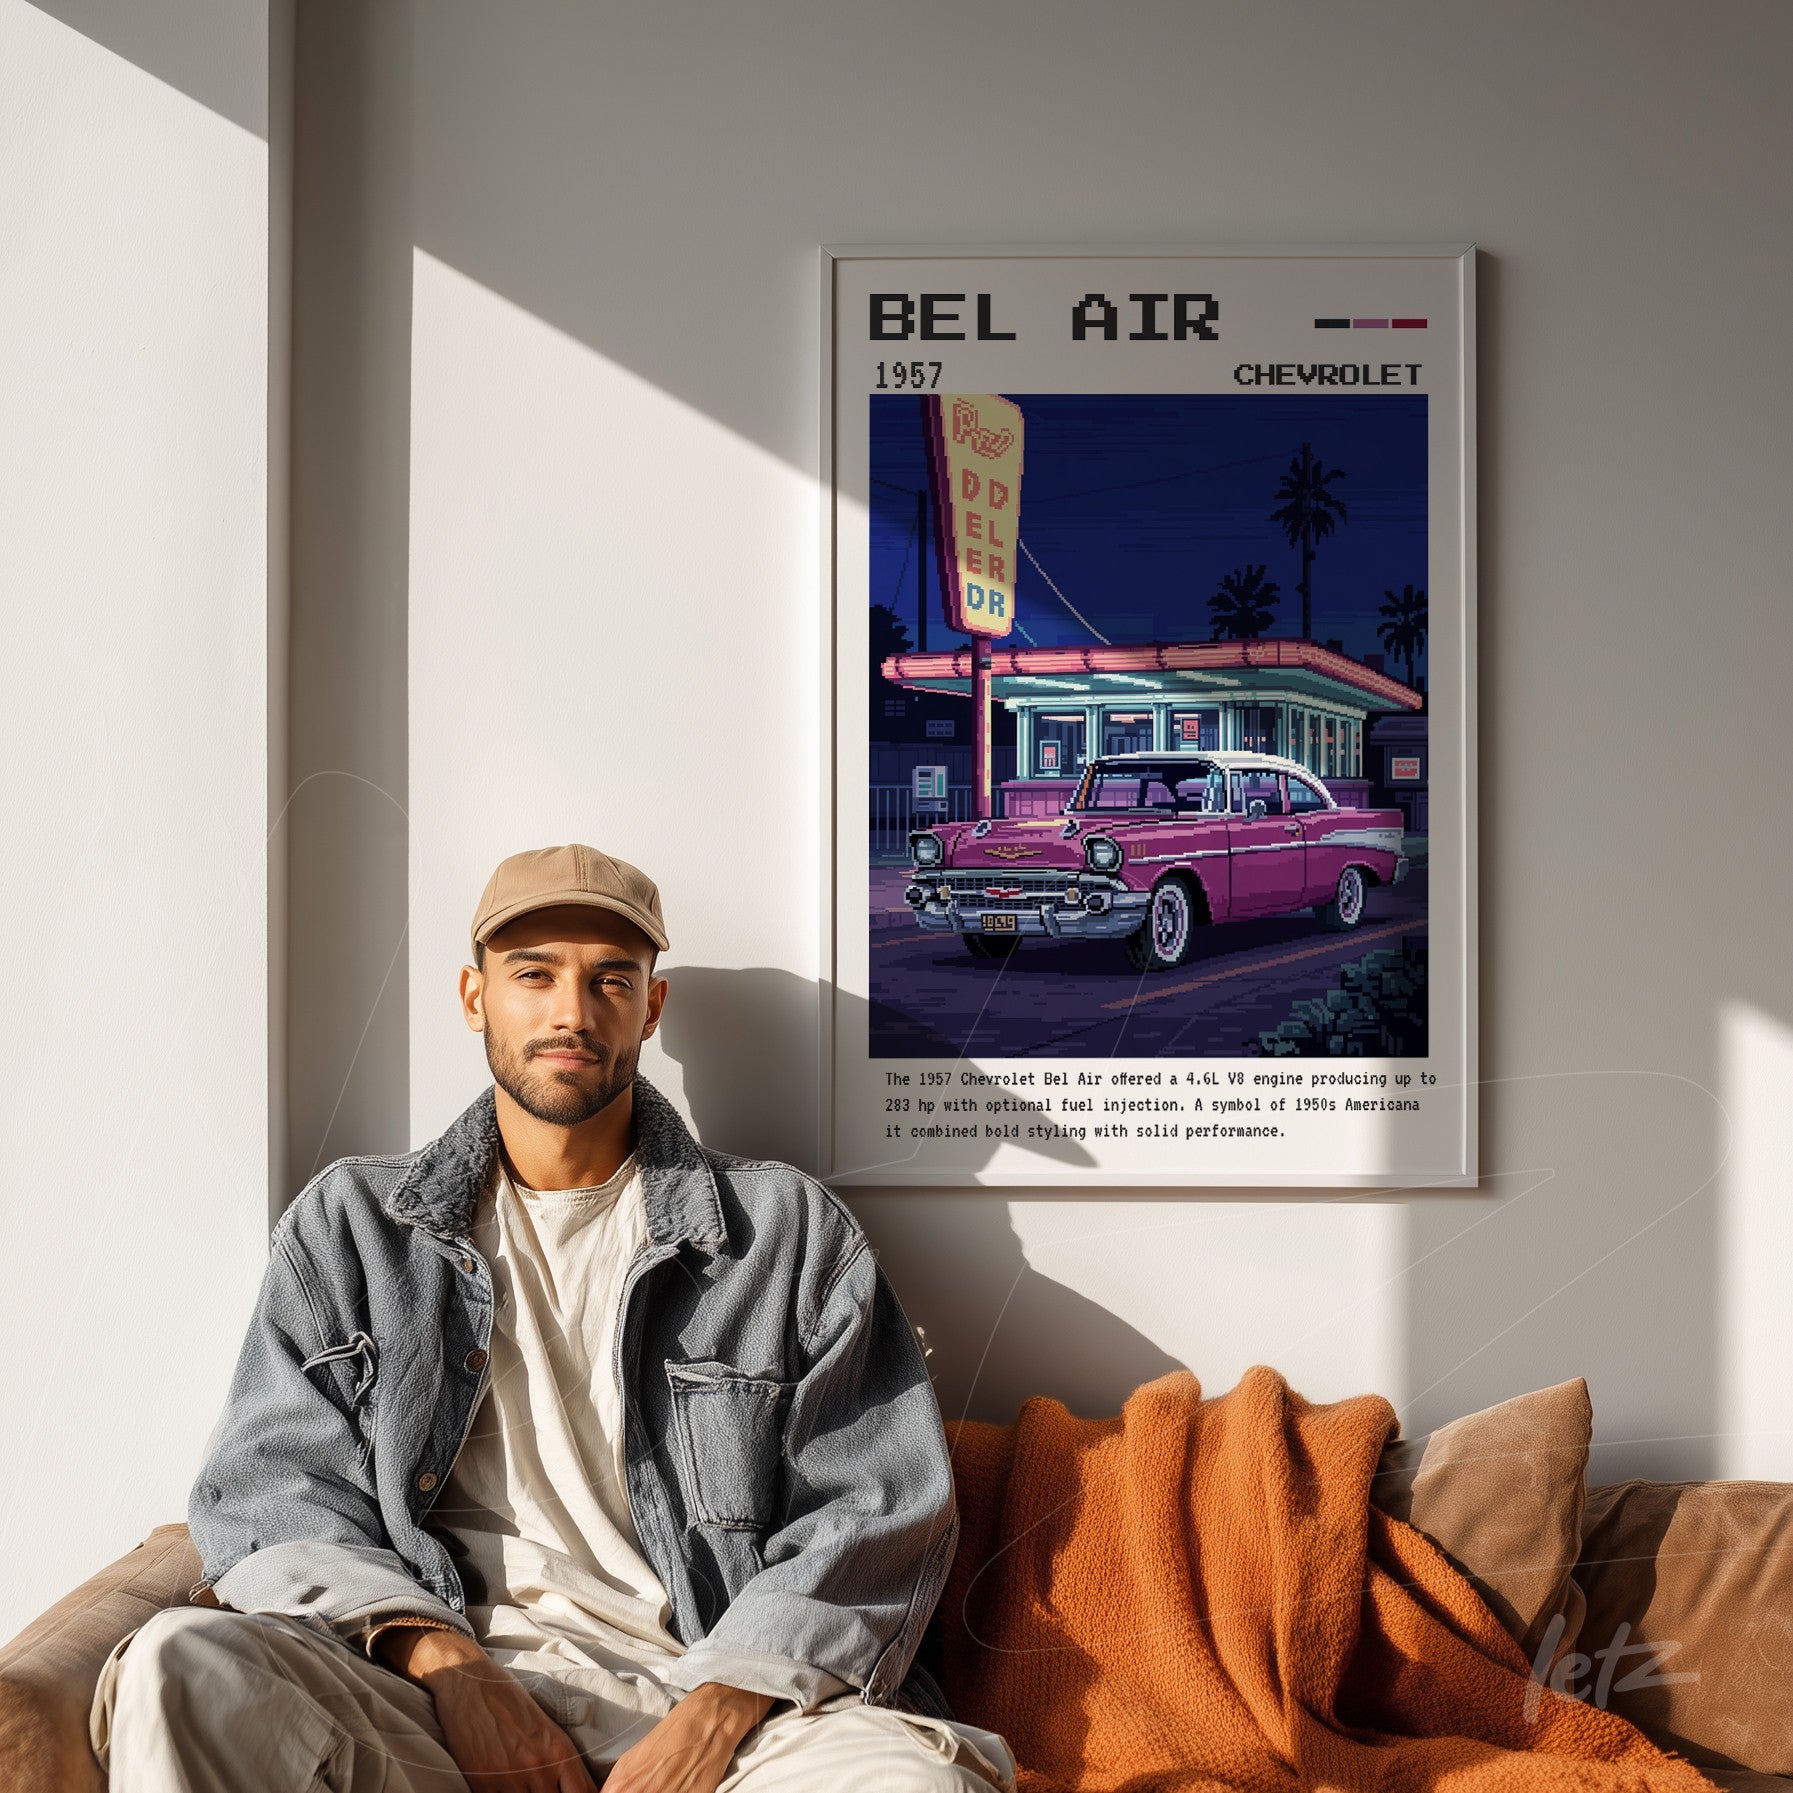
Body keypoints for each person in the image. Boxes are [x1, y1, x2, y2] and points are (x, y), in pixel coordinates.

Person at [93, 843, 1016, 1793]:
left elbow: (876, 1507)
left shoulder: (781, 1230)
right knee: (177, 1668)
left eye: (609, 979)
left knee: (920, 1782)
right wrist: (454, 1671)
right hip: (426, 1703)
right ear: (473, 996)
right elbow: (268, 1493)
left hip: (712, 1695)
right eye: (533, 975)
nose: (571, 1012)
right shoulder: (352, 1227)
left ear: (650, 1006)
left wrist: (716, 1712)